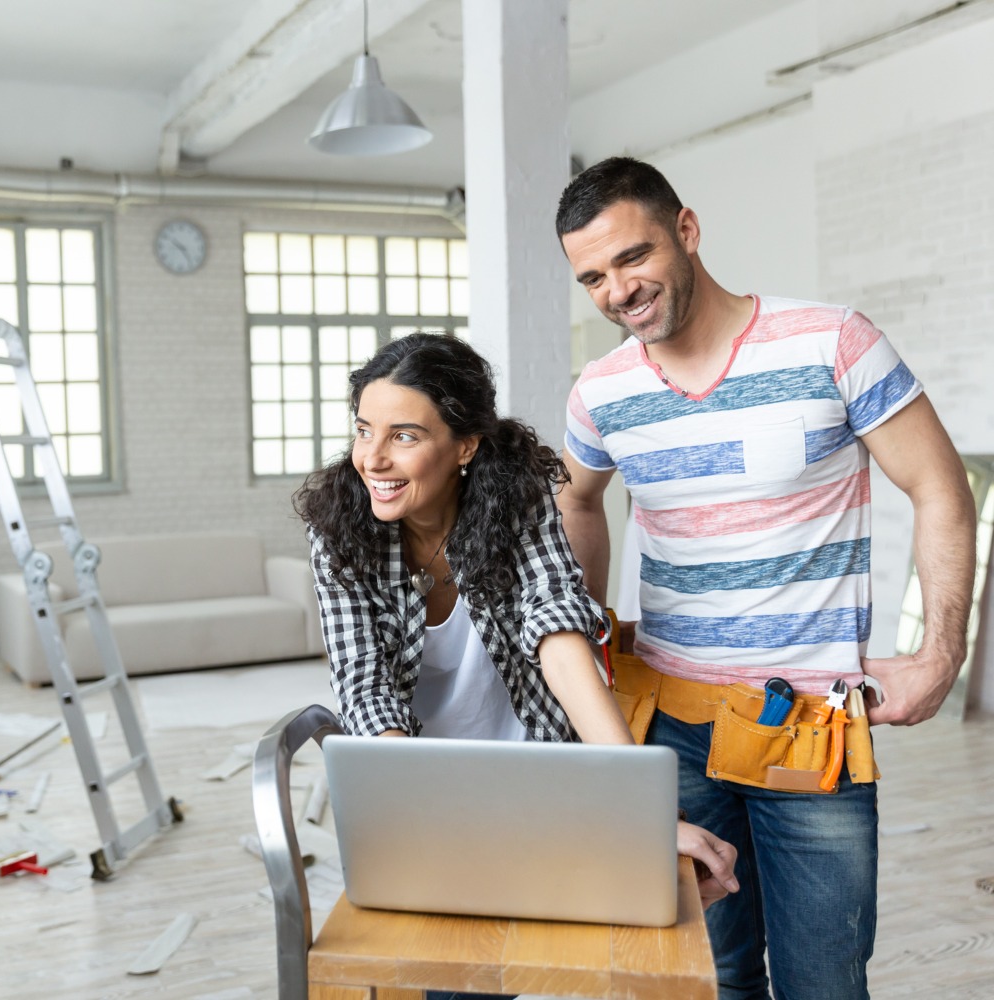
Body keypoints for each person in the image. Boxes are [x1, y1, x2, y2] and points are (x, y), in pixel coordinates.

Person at [554, 157, 977, 1000]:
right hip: (672, 728)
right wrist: (594, 634)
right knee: (712, 978)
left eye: (632, 258)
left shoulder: (831, 340)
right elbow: (579, 503)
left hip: (810, 732)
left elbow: (941, 488)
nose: (617, 291)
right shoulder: (600, 392)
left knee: (823, 983)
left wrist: (939, 653)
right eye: (592, 276)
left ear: (687, 230)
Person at [294, 333, 739, 1000]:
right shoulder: (339, 531)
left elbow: (561, 635)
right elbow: (365, 689)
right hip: (424, 793)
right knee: (457, 974)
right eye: (363, 430)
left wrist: (638, 808)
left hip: (537, 777)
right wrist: (419, 806)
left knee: (592, 951)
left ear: (465, 445)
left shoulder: (520, 502)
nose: (372, 459)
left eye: (404, 436)